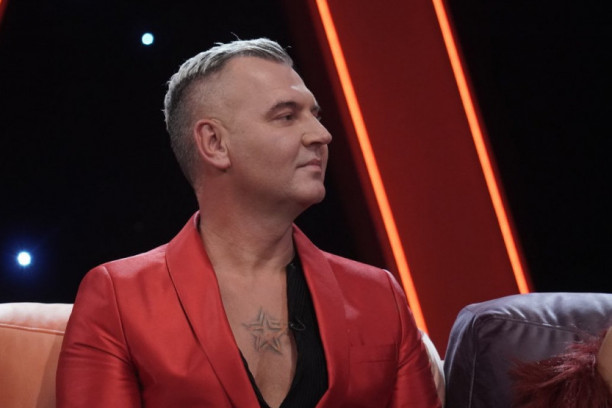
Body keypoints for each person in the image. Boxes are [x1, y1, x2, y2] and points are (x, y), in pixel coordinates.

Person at [57, 38, 441, 408]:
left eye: (315, 115)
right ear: (214, 143)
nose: (321, 135)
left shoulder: (381, 296)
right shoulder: (118, 299)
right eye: (286, 116)